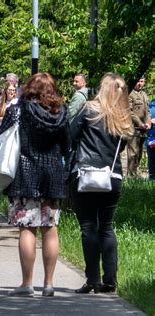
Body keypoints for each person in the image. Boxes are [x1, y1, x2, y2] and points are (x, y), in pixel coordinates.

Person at [0, 72, 68, 297]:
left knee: (27, 228)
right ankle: (49, 283)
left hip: (25, 175)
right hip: (53, 175)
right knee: (50, 228)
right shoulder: (61, 113)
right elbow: (67, 145)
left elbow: (2, 136)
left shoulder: (17, 110)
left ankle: (27, 283)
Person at [70, 73, 133, 294]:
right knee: (106, 228)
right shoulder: (123, 117)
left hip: (86, 175)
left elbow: (71, 136)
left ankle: (92, 279)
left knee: (88, 226)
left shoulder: (88, 110)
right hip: (112, 177)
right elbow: (121, 148)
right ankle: (110, 281)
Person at [126, 76, 151, 177]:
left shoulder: (144, 94)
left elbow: (148, 112)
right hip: (133, 128)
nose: (140, 83)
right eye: (138, 81)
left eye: (142, 81)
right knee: (133, 153)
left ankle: (135, 174)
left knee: (140, 153)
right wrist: (141, 124)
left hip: (143, 130)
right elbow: (130, 113)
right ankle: (131, 176)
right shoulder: (130, 94)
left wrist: (148, 123)